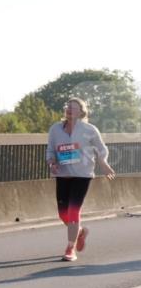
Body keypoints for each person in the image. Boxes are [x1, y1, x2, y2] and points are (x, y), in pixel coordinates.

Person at [45, 97, 115, 262]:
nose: (69, 109)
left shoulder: (90, 129)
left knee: (73, 211)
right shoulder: (55, 129)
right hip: (62, 174)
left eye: (73, 107)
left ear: (82, 112)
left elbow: (101, 149)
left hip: (82, 175)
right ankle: (80, 231)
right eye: (68, 107)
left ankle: (70, 248)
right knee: (63, 214)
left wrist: (103, 162)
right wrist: (52, 162)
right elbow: (50, 150)